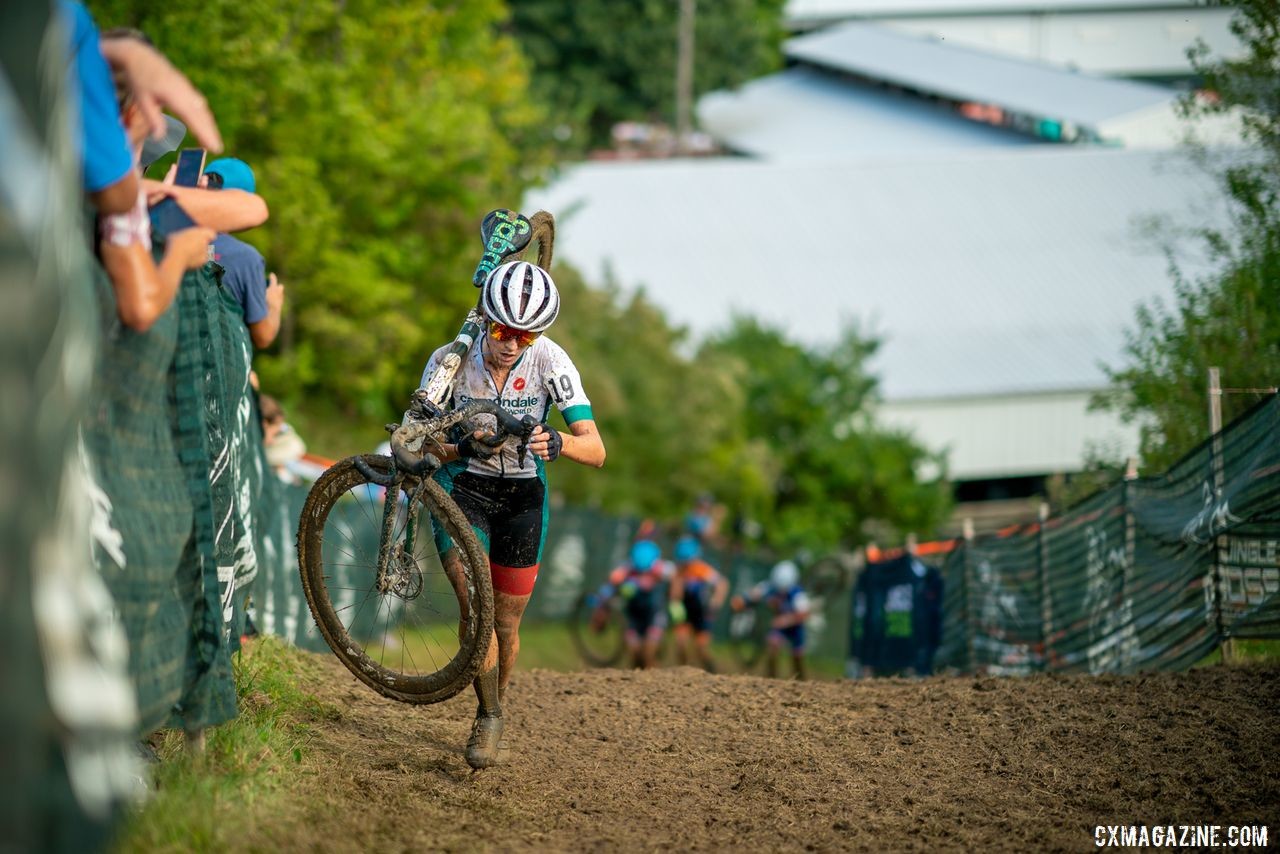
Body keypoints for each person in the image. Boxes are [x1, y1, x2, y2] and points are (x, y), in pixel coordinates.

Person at [419, 259, 605, 770]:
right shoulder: (449, 359)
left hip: (523, 494)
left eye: (525, 336)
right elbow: (421, 444)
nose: (511, 344)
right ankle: (489, 714)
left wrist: (559, 440)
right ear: (485, 317)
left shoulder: (551, 361)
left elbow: (598, 450)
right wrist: (463, 443)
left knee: (505, 623)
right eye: (502, 330)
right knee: (475, 608)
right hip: (462, 487)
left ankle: (495, 700)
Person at [201, 157, 284, 347]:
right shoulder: (246, 258)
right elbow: (263, 336)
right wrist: (274, 304)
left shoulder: (166, 235)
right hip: (215, 371)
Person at [596, 539, 673, 672]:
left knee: (648, 654)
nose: (643, 575)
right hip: (633, 618)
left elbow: (677, 580)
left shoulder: (664, 569)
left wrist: (675, 601)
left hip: (655, 616)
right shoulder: (623, 571)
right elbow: (607, 592)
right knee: (635, 655)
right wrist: (602, 614)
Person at [732, 559, 812, 680]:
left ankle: (802, 682)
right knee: (772, 646)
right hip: (778, 627)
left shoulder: (797, 594)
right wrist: (740, 602)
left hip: (795, 628)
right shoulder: (768, 587)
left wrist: (786, 620)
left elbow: (803, 614)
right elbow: (751, 596)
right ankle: (772, 680)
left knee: (797, 657)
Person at [668, 535, 728, 672]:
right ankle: (683, 672)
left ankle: (713, 672)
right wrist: (675, 606)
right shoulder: (677, 571)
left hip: (702, 612)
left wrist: (716, 602)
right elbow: (674, 595)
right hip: (685, 610)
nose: (685, 565)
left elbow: (722, 584)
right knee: (681, 644)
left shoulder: (701, 569)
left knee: (701, 649)